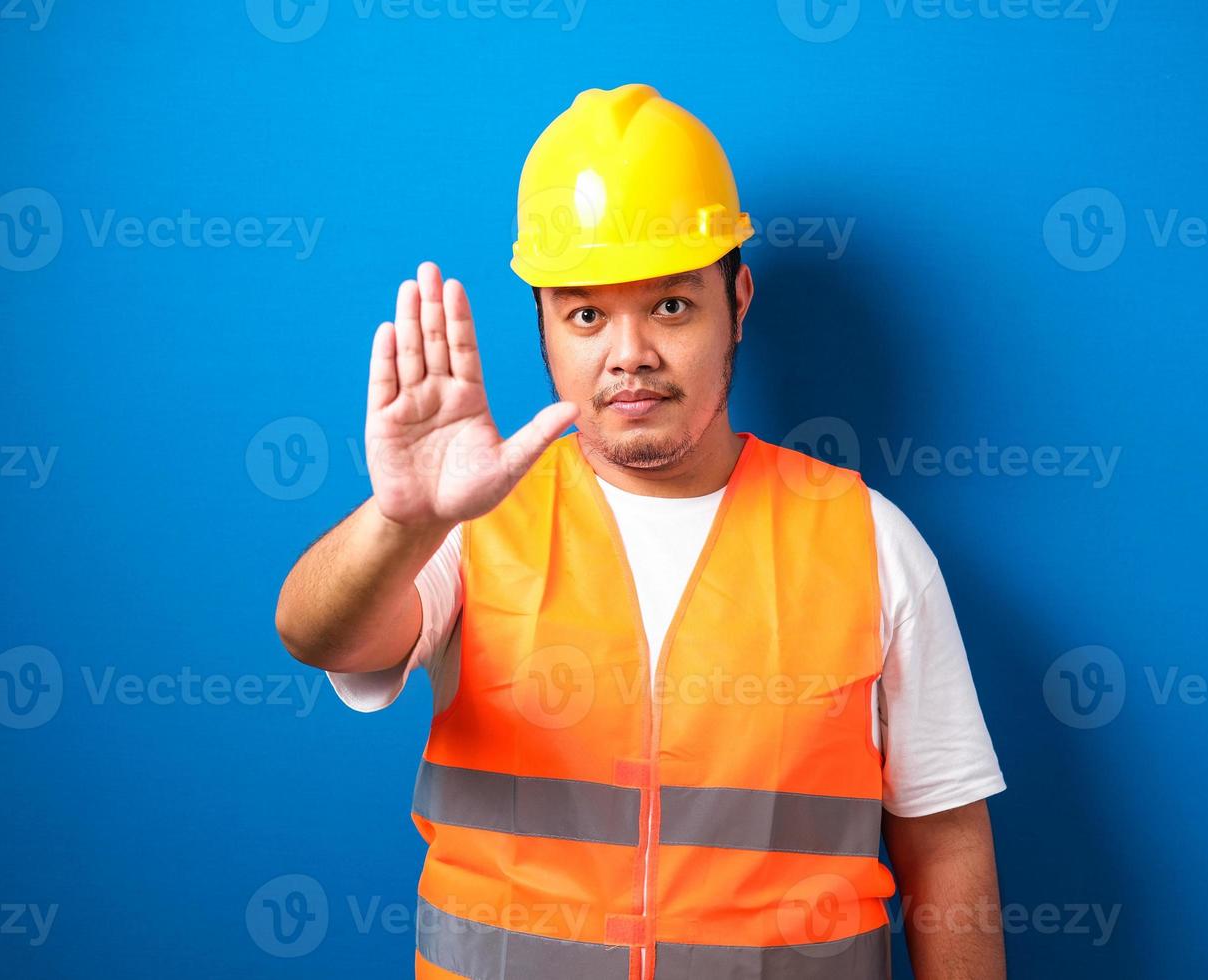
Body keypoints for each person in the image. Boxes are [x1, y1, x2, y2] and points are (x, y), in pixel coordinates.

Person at [276, 83, 1007, 980]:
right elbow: (316, 635)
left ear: (738, 301)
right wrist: (401, 522)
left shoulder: (868, 538)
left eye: (670, 306)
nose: (630, 355)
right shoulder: (470, 527)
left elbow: (946, 840)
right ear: (543, 326)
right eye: (587, 314)